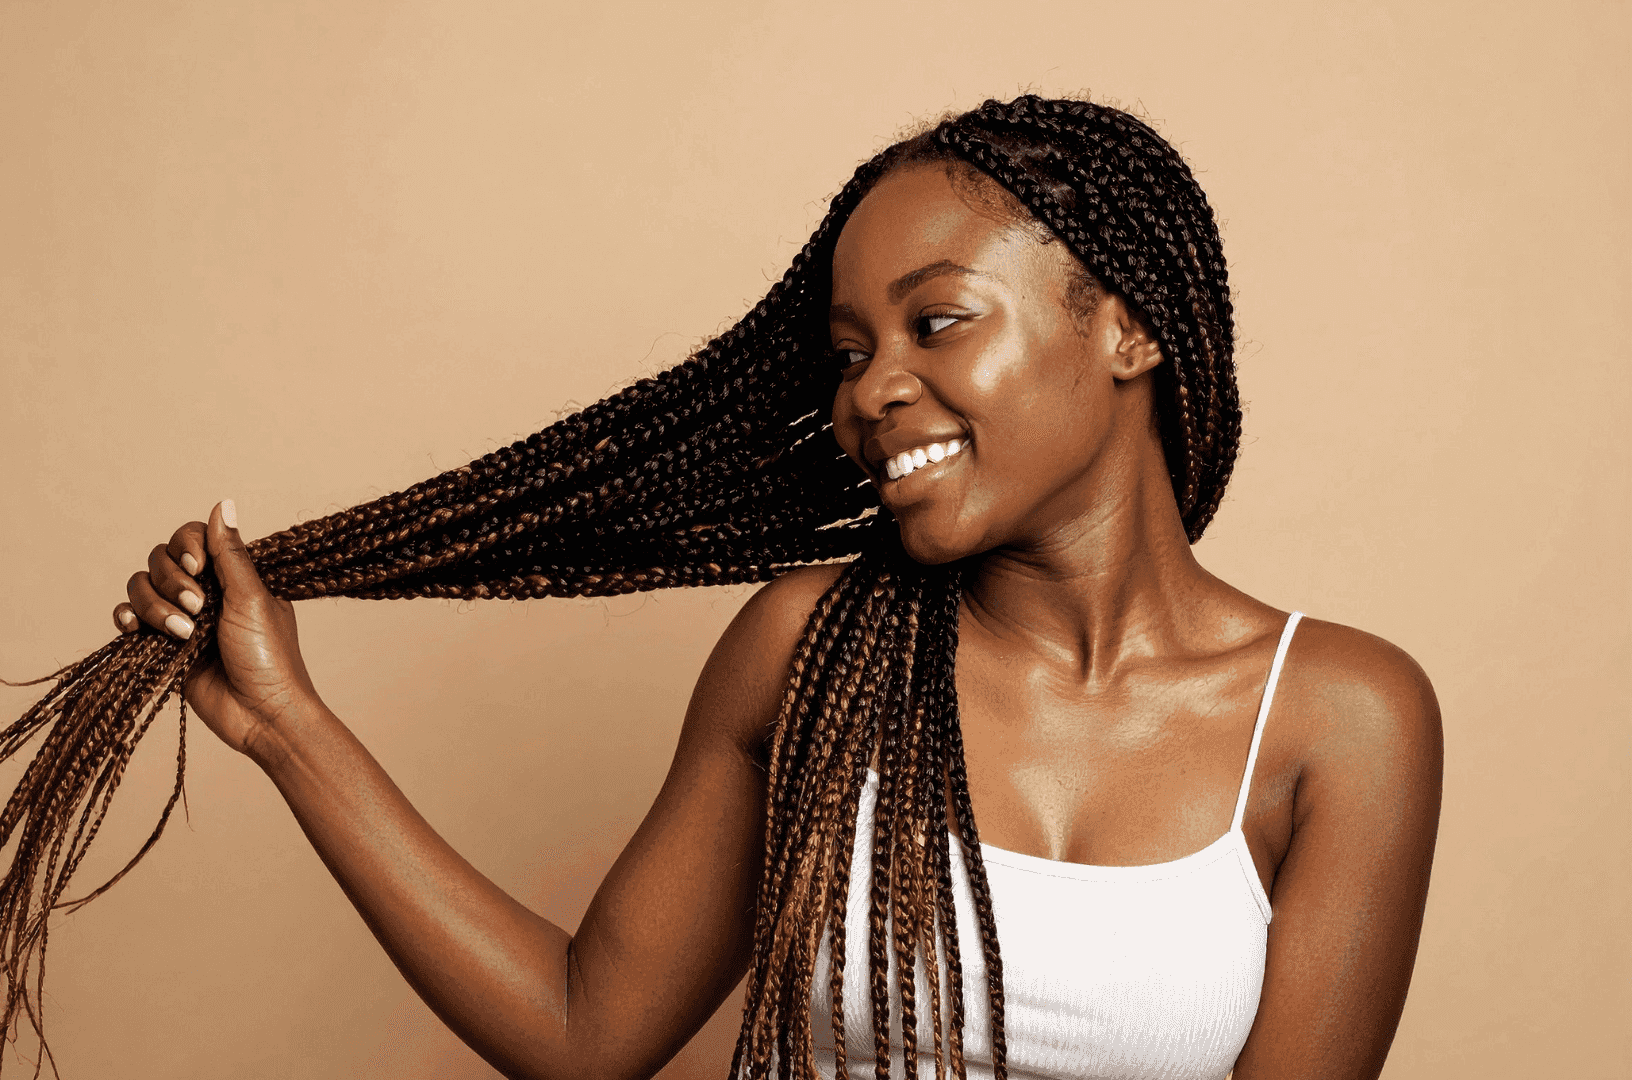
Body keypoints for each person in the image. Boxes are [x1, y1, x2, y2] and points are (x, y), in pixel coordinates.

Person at [109, 98, 1443, 1080]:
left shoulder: (1342, 720)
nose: (870, 392)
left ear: (1128, 327)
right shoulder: (814, 649)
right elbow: (585, 1032)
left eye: (937, 322)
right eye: (851, 351)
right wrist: (288, 725)